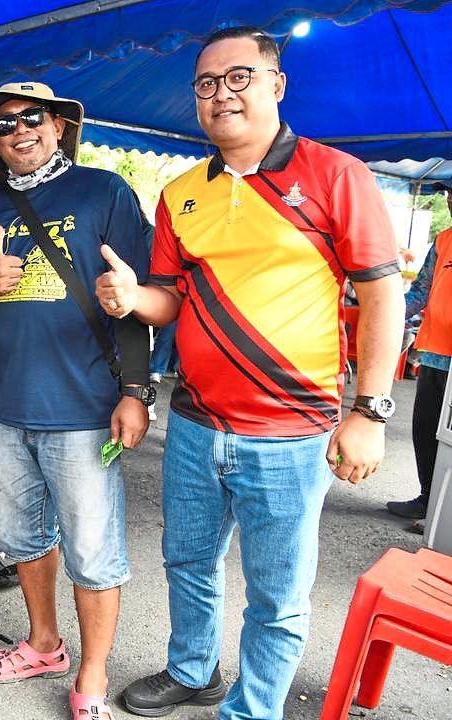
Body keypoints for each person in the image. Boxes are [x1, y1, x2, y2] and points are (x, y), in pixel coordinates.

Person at [95, 27, 405, 719]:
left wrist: (370, 412)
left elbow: (381, 294)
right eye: (206, 84)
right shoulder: (182, 194)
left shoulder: (335, 175)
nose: (220, 94)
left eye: (238, 77)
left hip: (291, 435)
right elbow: (169, 299)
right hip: (197, 424)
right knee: (188, 564)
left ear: (275, 84)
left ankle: (254, 709)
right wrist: (131, 298)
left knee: (277, 593)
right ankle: (192, 670)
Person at [0, 81, 153, 720]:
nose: (19, 132)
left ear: (59, 125)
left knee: (92, 549)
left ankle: (91, 674)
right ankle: (44, 642)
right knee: (21, 535)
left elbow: (132, 302)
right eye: (3, 126)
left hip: (85, 410)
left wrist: (136, 393)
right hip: (6, 408)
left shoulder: (104, 192)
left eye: (32, 119)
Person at [386, 181, 452, 524]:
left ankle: (444, 518)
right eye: (449, 194)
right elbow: (422, 291)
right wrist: (389, 314)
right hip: (434, 354)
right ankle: (429, 500)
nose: (451, 200)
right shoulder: (443, 241)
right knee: (425, 428)